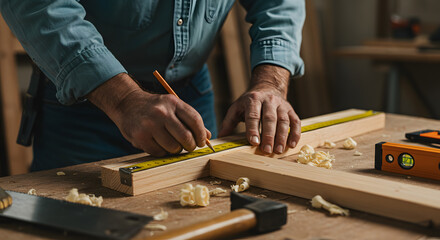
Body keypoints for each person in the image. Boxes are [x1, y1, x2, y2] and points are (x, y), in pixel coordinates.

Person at [0, 0, 305, 171]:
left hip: (189, 94)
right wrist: (122, 100)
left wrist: (270, 82)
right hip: (86, 100)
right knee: (77, 220)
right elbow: (39, 5)